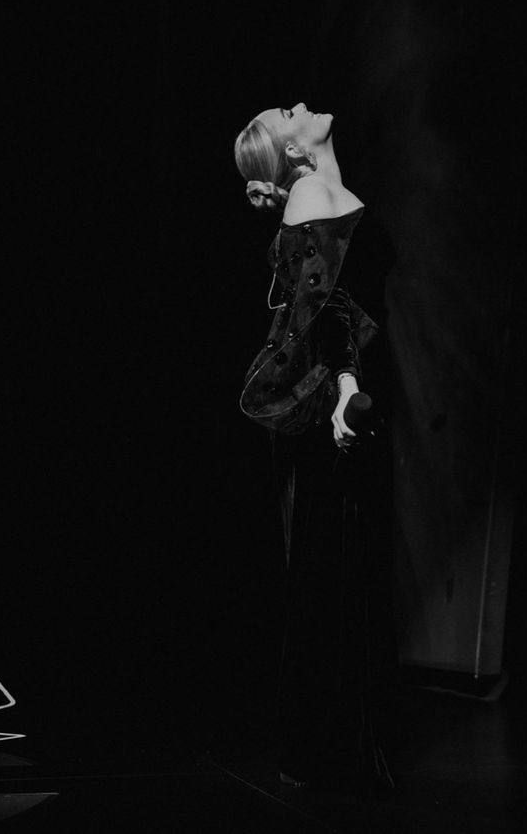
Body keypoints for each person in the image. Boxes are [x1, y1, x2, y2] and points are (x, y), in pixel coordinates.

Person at [234, 102, 395, 790]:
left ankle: (330, 747)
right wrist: (345, 390)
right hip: (325, 404)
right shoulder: (309, 193)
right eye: (288, 112)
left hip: (342, 395)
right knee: (327, 575)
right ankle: (320, 751)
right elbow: (320, 307)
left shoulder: (324, 190)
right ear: (294, 152)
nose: (302, 105)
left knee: (340, 572)